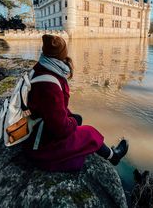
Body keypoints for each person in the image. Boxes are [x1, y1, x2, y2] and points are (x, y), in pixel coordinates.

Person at [24, 34, 128, 172]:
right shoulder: (50, 85)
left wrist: (71, 118)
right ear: (62, 54)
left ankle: (84, 146)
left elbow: (50, 108)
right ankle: (113, 156)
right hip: (42, 144)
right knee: (90, 133)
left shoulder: (41, 67)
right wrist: (71, 122)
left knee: (77, 118)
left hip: (39, 124)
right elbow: (60, 128)